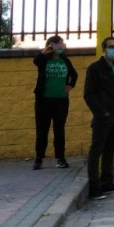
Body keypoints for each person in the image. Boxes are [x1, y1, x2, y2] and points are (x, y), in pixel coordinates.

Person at [83, 36, 114, 200]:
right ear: (104, 49)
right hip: (103, 116)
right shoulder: (94, 69)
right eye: (111, 47)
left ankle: (107, 182)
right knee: (97, 150)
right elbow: (89, 94)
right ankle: (95, 188)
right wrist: (102, 112)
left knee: (110, 148)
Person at [32, 35, 77, 170]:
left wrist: (70, 85)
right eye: (56, 44)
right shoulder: (44, 60)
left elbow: (74, 75)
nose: (60, 46)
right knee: (42, 130)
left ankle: (60, 158)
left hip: (61, 101)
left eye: (61, 44)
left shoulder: (66, 61)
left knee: (59, 130)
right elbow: (35, 61)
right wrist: (44, 52)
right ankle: (39, 158)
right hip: (44, 101)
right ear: (50, 45)